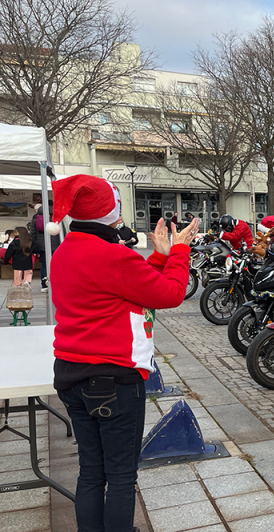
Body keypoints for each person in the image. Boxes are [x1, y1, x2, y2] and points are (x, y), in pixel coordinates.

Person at [48, 174, 200, 532]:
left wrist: (159, 259)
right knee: (119, 477)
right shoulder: (113, 255)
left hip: (70, 373)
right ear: (110, 210)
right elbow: (169, 294)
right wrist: (178, 252)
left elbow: (129, 287)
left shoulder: (65, 251)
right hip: (112, 380)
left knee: (91, 471)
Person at [30, 202, 62, 292]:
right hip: (56, 245)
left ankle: (44, 285)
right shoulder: (56, 217)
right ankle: (56, 284)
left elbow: (32, 233)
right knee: (56, 264)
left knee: (44, 265)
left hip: (42, 246)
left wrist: (34, 243)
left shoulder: (35, 218)